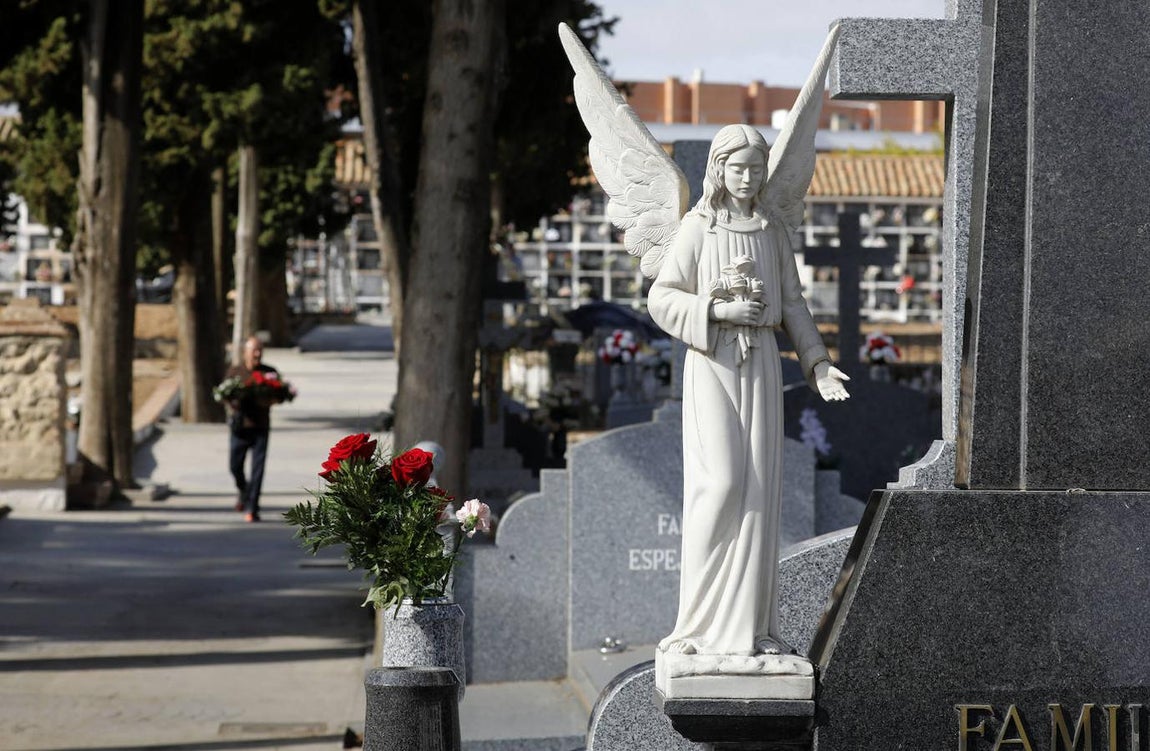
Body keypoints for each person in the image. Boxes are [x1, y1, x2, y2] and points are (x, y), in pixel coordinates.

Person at [647, 124, 849, 659]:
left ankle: (749, 628)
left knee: (758, 490)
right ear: (718, 168)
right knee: (722, 484)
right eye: (738, 167)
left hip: (761, 365)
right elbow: (661, 297)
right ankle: (696, 624)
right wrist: (716, 311)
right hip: (713, 362)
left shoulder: (771, 231)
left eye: (756, 168)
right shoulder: (699, 229)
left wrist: (818, 364)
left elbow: (795, 303)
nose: (748, 176)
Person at [226, 336, 280, 522]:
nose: (257, 353)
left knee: (258, 469)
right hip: (240, 427)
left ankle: (253, 507)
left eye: (260, 350)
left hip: (260, 427)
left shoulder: (269, 373)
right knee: (234, 467)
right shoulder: (235, 372)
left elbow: (279, 395)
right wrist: (233, 403)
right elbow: (224, 394)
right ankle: (244, 490)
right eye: (254, 350)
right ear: (245, 352)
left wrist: (270, 399)